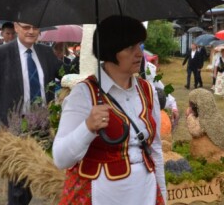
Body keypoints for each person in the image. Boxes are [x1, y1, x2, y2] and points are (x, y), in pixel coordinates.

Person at [52, 15, 166, 204]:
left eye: (139, 45)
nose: (139, 53)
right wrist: (87, 128)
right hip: (103, 195)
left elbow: (155, 149)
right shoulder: (84, 94)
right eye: (130, 47)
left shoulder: (148, 90)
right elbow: (61, 158)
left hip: (144, 194)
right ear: (111, 50)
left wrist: (162, 194)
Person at [0, 21, 62, 205]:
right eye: (26, 27)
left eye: (35, 28)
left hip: (42, 125)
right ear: (16, 27)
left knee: (44, 173)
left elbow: (62, 74)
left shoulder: (45, 52)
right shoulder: (0, 53)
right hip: (14, 126)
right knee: (18, 182)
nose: (31, 31)